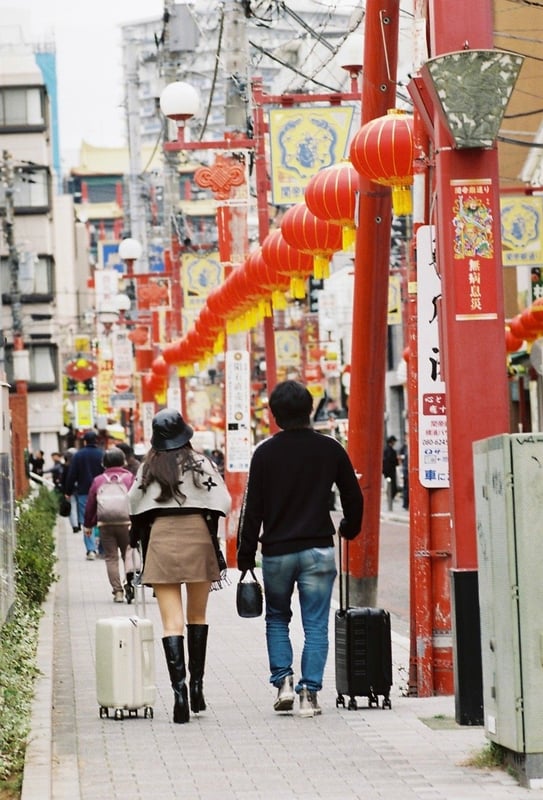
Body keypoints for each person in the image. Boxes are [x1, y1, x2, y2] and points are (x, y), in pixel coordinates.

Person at [236, 380, 363, 718]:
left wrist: (245, 556)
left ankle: (283, 683)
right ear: (310, 410)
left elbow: (253, 510)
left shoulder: (264, 453)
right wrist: (350, 527)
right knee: (316, 624)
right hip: (318, 549)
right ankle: (310, 693)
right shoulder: (330, 448)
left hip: (277, 552)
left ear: (274, 416)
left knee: (277, 618)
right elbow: (353, 495)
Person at [128, 408, 231, 724]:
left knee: (171, 623)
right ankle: (198, 686)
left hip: (161, 538)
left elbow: (132, 502)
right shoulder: (200, 463)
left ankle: (180, 694)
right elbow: (224, 501)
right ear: (185, 434)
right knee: (197, 615)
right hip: (197, 536)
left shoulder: (149, 467)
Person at [83, 447, 135, 603]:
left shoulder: (99, 480)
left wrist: (88, 525)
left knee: (111, 557)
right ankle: (129, 583)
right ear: (123, 461)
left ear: (104, 463)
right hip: (127, 522)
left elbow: (91, 504)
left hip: (105, 523)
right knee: (128, 554)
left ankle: (118, 592)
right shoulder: (129, 478)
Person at [64, 430, 104, 559]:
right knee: (102, 519)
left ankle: (91, 550)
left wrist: (68, 491)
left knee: (87, 521)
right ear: (96, 441)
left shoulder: (78, 456)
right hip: (102, 492)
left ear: (85, 441)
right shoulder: (102, 454)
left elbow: (72, 475)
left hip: (84, 493)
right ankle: (102, 548)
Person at [382, 435, 399, 503]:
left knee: (390, 484)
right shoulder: (390, 450)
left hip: (387, 470)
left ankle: (390, 497)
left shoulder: (386, 449)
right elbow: (390, 460)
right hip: (390, 470)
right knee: (392, 484)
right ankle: (391, 497)